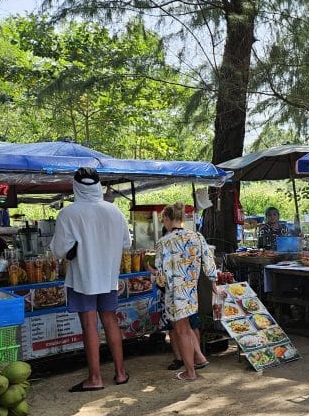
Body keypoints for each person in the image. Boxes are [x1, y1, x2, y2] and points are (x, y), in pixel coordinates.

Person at [51, 167, 131, 392]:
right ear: (98, 185)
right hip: (108, 276)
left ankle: (95, 378)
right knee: (110, 321)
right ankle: (120, 373)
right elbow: (126, 243)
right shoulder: (114, 211)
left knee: (89, 325)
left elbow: (58, 250)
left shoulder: (69, 213)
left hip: (83, 277)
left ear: (75, 185)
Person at [149, 202, 217, 381]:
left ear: (166, 218)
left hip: (174, 294)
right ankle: (195, 364)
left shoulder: (163, 242)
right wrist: (213, 283)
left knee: (182, 332)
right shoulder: (197, 236)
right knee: (187, 329)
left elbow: (162, 277)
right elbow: (209, 264)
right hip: (191, 292)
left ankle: (190, 372)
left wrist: (153, 273)